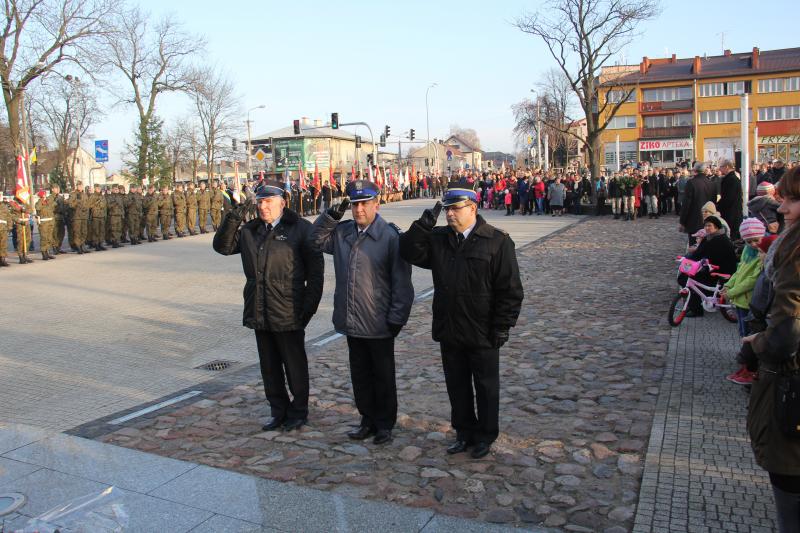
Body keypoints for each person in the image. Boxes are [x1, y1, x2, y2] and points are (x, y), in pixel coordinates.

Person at [399, 180, 524, 459]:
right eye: (447, 209)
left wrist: (502, 326)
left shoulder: (497, 241)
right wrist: (422, 226)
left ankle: (485, 436)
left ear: (473, 208)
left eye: (455, 209)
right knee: (457, 386)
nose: (450, 214)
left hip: (483, 330)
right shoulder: (440, 239)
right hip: (450, 327)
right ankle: (463, 432)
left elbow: (510, 290)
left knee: (486, 387)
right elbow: (407, 252)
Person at [213, 180, 324, 432]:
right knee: (269, 367)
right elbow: (223, 247)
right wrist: (234, 217)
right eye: (261, 201)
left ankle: (299, 411)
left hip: (289, 310)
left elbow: (316, 274)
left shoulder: (301, 229)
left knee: (294, 365)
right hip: (259, 307)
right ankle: (278, 410)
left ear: (282, 203)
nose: (264, 207)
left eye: (269, 201)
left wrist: (308, 308)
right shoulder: (251, 230)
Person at [312, 180, 414, 445]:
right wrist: (331, 216)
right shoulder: (342, 232)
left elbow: (402, 283)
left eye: (364, 204)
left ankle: (384, 424)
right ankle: (367, 419)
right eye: (355, 204)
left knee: (382, 375)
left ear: (376, 205)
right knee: (360, 375)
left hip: (379, 321)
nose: (359, 210)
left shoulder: (390, 237)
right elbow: (315, 240)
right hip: (352, 318)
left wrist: (396, 318)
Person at [741, 165, 800, 532]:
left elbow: (787, 332)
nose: (782, 208)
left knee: (790, 497)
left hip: (791, 386)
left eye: (792, 200)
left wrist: (758, 342)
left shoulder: (794, 252)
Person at [722, 218, 766, 385]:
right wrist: (728, 284)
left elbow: (751, 281)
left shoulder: (762, 255)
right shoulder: (748, 252)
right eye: (749, 241)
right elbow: (739, 272)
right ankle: (745, 363)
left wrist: (732, 292)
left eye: (756, 240)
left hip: (750, 302)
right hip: (741, 301)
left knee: (749, 335)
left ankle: (749, 367)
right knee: (743, 332)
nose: (753, 244)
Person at [681, 215, 737, 317]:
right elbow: (698, 254)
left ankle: (696, 309)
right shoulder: (709, 237)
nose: (706, 228)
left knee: (691, 279)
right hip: (712, 267)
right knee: (688, 277)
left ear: (716, 227)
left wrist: (699, 262)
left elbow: (710, 256)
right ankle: (696, 303)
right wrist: (686, 259)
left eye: (709, 226)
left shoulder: (719, 239)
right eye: (705, 226)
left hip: (722, 270)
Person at [680, 163, 716, 244]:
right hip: (709, 220)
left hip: (694, 220)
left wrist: (682, 221)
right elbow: (713, 204)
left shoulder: (691, 183)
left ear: (694, 170)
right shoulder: (712, 183)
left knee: (694, 245)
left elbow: (686, 204)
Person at [717, 159, 743, 239]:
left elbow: (728, 198)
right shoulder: (730, 178)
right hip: (731, 213)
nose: (719, 169)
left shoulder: (732, 179)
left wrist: (718, 207)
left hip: (731, 214)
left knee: (731, 237)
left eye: (721, 167)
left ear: (727, 167)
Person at [68, 180, 91, 254]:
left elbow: (88, 205)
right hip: (77, 216)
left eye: (81, 186)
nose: (80, 187)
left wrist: (87, 212)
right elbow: (70, 205)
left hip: (84, 216)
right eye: (79, 186)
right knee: (77, 232)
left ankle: (82, 245)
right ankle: (78, 246)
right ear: (77, 186)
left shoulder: (84, 195)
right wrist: (77, 201)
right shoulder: (73, 194)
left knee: (84, 232)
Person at [35, 190, 56, 260]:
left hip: (50, 222)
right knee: (44, 238)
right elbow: (38, 208)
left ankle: (48, 252)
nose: (45, 195)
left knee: (49, 238)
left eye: (45, 194)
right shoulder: (38, 203)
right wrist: (41, 200)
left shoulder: (48, 202)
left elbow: (54, 205)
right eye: (44, 194)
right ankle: (44, 253)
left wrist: (49, 201)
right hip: (43, 223)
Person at [88, 184, 107, 251]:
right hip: (95, 215)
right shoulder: (92, 196)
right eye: (97, 188)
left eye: (99, 188)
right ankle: (96, 244)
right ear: (95, 189)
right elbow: (89, 205)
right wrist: (96, 203)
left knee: (102, 231)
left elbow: (105, 205)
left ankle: (100, 243)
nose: (99, 189)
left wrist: (104, 214)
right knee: (96, 231)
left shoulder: (102, 196)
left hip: (102, 215)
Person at [0, 194, 10, 266]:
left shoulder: (4, 206)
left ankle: (2, 259)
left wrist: (10, 226)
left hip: (3, 227)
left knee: (4, 244)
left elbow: (8, 217)